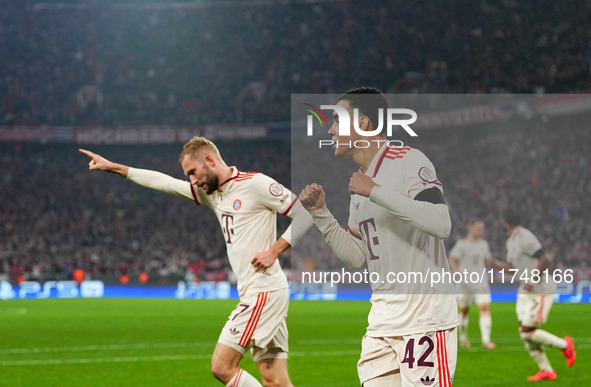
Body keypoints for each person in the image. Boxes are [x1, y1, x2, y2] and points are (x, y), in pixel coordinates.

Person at [80, 136, 311, 387]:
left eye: (193, 172)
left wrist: (274, 251)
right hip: (260, 292)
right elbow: (166, 183)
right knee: (275, 380)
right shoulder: (211, 194)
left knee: (222, 367)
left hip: (263, 292)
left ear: (210, 160)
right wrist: (114, 167)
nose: (193, 181)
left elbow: (306, 213)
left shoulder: (255, 183)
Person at [299, 87, 458, 387]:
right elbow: (358, 257)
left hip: (423, 320)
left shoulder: (408, 160)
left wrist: (375, 191)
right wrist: (320, 213)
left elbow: (441, 222)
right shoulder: (358, 188)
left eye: (336, 120)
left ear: (365, 124)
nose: (330, 129)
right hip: (382, 323)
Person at [488, 208, 576, 381]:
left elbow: (545, 259)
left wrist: (531, 280)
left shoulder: (524, 236)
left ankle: (565, 344)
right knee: (525, 332)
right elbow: (514, 269)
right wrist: (496, 265)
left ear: (505, 221)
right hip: (526, 289)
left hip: (540, 288)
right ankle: (547, 371)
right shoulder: (511, 242)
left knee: (527, 332)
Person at [448, 218, 496, 349]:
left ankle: (486, 340)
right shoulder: (462, 243)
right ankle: (463, 338)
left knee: (485, 308)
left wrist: (493, 271)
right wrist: (457, 271)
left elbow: (488, 261)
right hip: (465, 282)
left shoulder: (484, 244)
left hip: (481, 281)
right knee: (464, 310)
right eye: (477, 228)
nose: (480, 231)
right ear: (470, 228)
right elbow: (452, 258)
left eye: (481, 228)